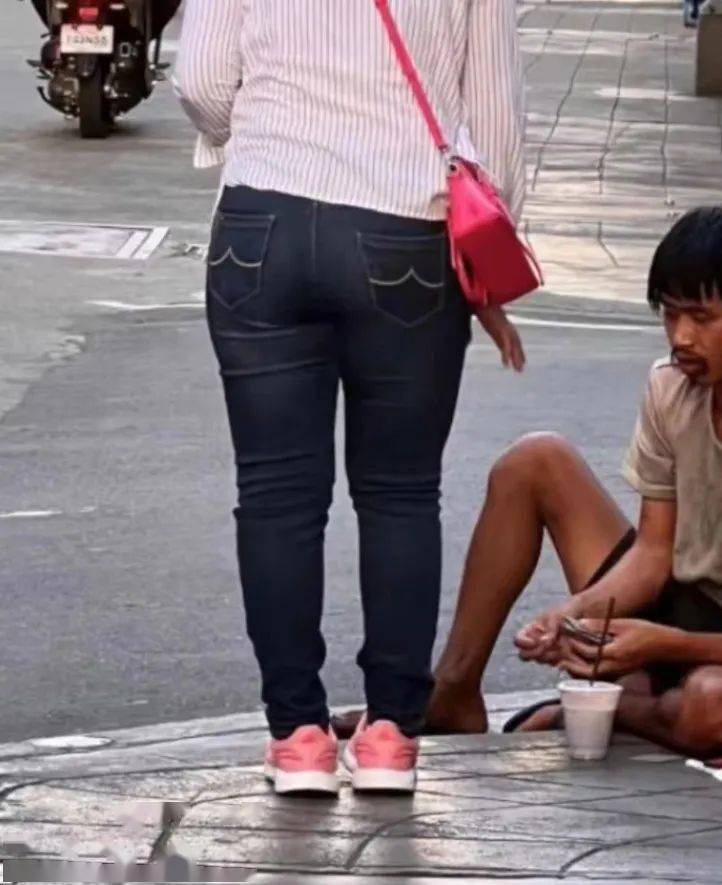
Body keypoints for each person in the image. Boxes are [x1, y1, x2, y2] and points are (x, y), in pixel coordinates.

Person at [174, 1, 527, 796]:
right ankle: (392, 736)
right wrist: (487, 244)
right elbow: (497, 121)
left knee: (274, 496)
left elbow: (200, 82)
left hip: (261, 216)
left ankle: (297, 736)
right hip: (406, 221)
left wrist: (268, 123)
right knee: (401, 492)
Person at [427, 206, 722, 756]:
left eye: (702, 319)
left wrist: (664, 644)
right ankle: (453, 691)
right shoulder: (670, 388)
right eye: (670, 315)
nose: (680, 337)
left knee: (715, 707)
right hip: (676, 605)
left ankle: (608, 709)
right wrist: (574, 613)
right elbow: (653, 554)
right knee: (534, 459)